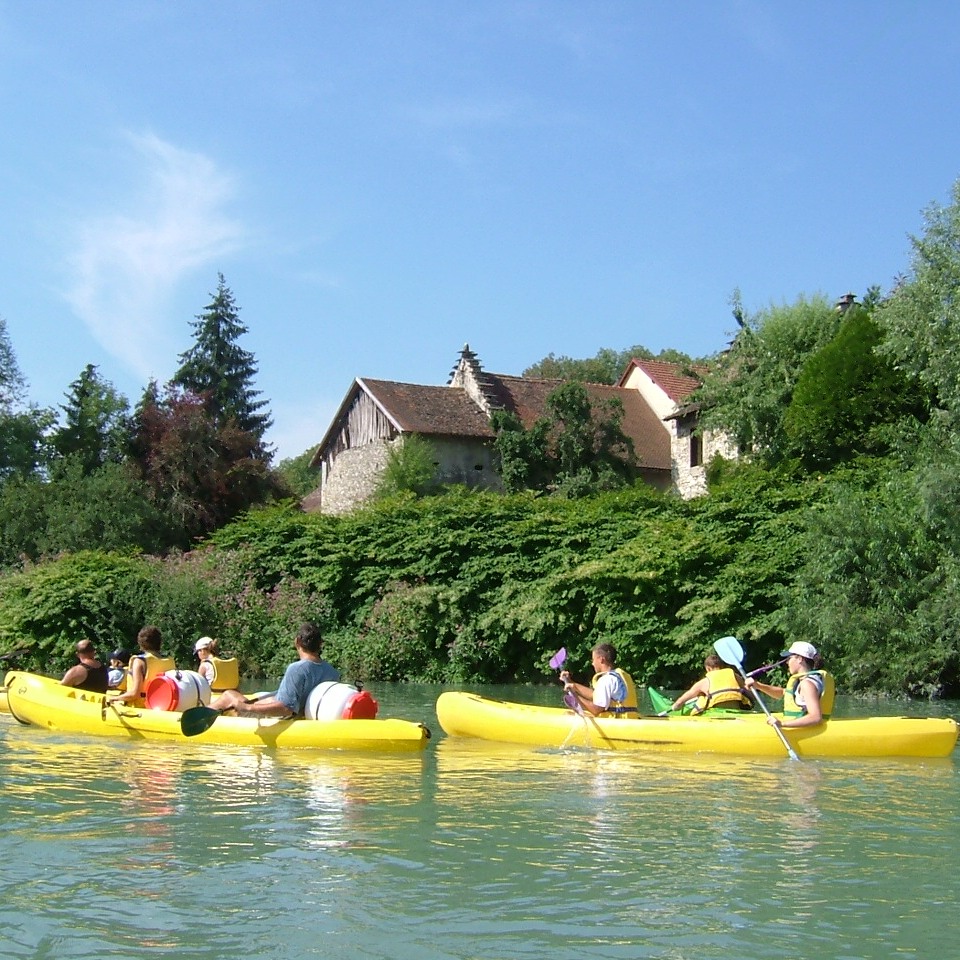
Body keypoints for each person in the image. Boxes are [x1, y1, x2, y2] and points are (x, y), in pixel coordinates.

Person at [209, 622, 339, 719]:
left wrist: (248, 707)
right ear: (320, 644)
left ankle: (195, 719)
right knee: (237, 696)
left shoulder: (297, 669)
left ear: (297, 642)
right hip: (306, 717)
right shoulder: (333, 672)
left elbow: (286, 709)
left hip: (279, 719)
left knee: (228, 695)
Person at [744, 641, 835, 729]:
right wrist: (758, 686)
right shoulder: (804, 681)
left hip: (806, 732)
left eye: (789, 658)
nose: (787, 662)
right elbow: (783, 693)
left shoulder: (807, 684)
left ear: (800, 659)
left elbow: (815, 717)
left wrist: (782, 724)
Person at [559, 642, 638, 718]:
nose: (592, 663)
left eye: (593, 659)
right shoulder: (619, 675)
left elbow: (596, 710)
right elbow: (595, 695)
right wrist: (572, 684)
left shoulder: (606, 680)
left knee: (567, 715)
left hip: (616, 724)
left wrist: (575, 697)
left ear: (601, 659)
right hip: (629, 718)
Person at [108, 626, 175, 706]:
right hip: (163, 707)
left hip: (141, 709)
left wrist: (114, 698)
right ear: (160, 643)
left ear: (141, 644)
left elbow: (134, 694)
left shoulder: (140, 662)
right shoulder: (170, 661)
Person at [670, 653, 752, 714]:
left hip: (716, 714)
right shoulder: (734, 675)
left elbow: (686, 696)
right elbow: (750, 693)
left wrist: (676, 706)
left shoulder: (705, 682)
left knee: (702, 697)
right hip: (737, 711)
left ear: (708, 668)